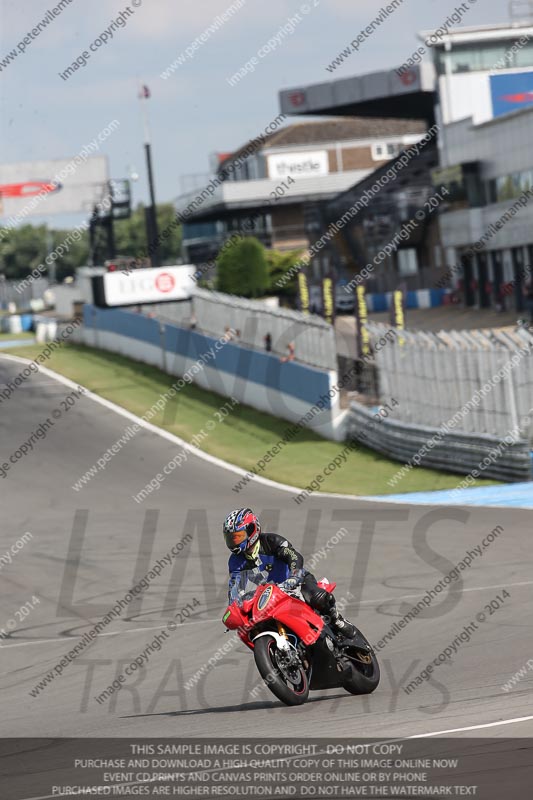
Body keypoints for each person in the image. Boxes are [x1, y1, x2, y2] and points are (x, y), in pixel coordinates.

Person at [223, 508, 357, 638]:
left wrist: (295, 575)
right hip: (269, 598)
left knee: (318, 598)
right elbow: (235, 585)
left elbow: (293, 556)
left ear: (252, 530)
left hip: (296, 583)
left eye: (237, 537)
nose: (234, 542)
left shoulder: (271, 541)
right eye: (230, 538)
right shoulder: (235, 562)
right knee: (253, 627)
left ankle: (337, 620)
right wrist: (234, 608)